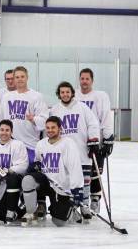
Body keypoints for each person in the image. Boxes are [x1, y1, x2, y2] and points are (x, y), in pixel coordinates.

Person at [49, 81, 100, 219]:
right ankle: (73, 206)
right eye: (62, 92)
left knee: (85, 180)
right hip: (64, 154)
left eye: (67, 92)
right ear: (58, 94)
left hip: (82, 151)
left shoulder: (82, 107)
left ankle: (85, 205)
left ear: (72, 92)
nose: (65, 94)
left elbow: (93, 124)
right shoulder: (55, 110)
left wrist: (94, 140)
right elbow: (50, 130)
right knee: (69, 181)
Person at [21, 116, 84, 227]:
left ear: (60, 128)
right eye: (48, 128)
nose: (50, 130)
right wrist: (35, 165)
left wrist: (77, 187)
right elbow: (38, 162)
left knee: (59, 222)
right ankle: (30, 213)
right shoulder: (41, 144)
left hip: (61, 187)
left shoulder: (68, 144)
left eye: (53, 127)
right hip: (46, 181)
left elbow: (75, 167)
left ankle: (71, 210)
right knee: (28, 180)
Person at [76, 68, 115, 214]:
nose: (84, 81)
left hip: (96, 140)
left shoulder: (100, 96)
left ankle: (95, 198)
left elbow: (105, 117)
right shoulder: (75, 95)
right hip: (79, 141)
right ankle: (80, 200)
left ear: (92, 80)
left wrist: (108, 139)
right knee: (81, 172)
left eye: (87, 79)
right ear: (79, 80)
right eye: (82, 78)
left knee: (95, 172)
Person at [0, 66, 48, 161]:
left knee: (27, 174)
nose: (20, 79)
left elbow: (45, 121)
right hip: (10, 145)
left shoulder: (37, 96)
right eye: (17, 77)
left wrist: (34, 119)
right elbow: (1, 121)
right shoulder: (6, 97)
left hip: (30, 145)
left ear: (27, 77)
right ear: (14, 79)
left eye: (22, 76)